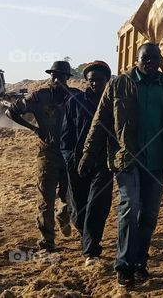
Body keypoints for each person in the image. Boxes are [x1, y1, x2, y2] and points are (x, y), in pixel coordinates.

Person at [78, 43, 163, 288]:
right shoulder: (118, 85)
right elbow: (99, 123)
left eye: (155, 59)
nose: (150, 63)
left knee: (149, 214)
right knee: (129, 206)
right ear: (136, 59)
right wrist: (87, 155)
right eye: (145, 58)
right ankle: (123, 265)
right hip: (127, 159)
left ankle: (140, 262)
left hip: (157, 162)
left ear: (160, 61)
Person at [6, 60, 79, 253]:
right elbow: (10, 111)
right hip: (47, 153)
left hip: (70, 154)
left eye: (60, 76)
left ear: (67, 79)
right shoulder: (39, 97)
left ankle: (63, 215)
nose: (56, 80)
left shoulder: (76, 97)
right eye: (53, 76)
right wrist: (34, 128)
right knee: (45, 199)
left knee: (70, 196)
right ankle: (47, 241)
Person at [61, 61, 114, 267]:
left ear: (106, 81)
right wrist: (69, 158)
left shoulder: (113, 103)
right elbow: (66, 136)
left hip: (103, 163)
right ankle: (84, 233)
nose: (95, 84)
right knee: (79, 207)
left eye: (99, 80)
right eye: (91, 80)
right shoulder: (74, 102)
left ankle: (91, 251)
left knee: (97, 205)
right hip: (77, 162)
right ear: (86, 81)